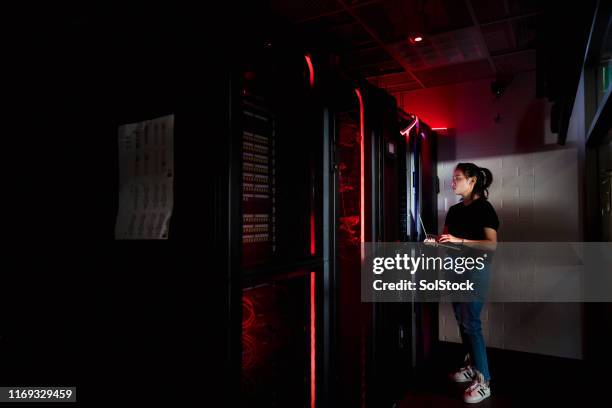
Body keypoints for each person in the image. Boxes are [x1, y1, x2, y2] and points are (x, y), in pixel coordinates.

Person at [427, 162, 499, 403]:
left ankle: (484, 381)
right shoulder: (454, 210)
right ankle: (470, 367)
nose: (452, 182)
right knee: (462, 320)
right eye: (453, 178)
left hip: (476, 270)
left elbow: (491, 245)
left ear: (472, 181)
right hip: (455, 270)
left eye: (457, 177)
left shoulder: (484, 208)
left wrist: (460, 239)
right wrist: (437, 241)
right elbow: (449, 240)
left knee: (472, 322)